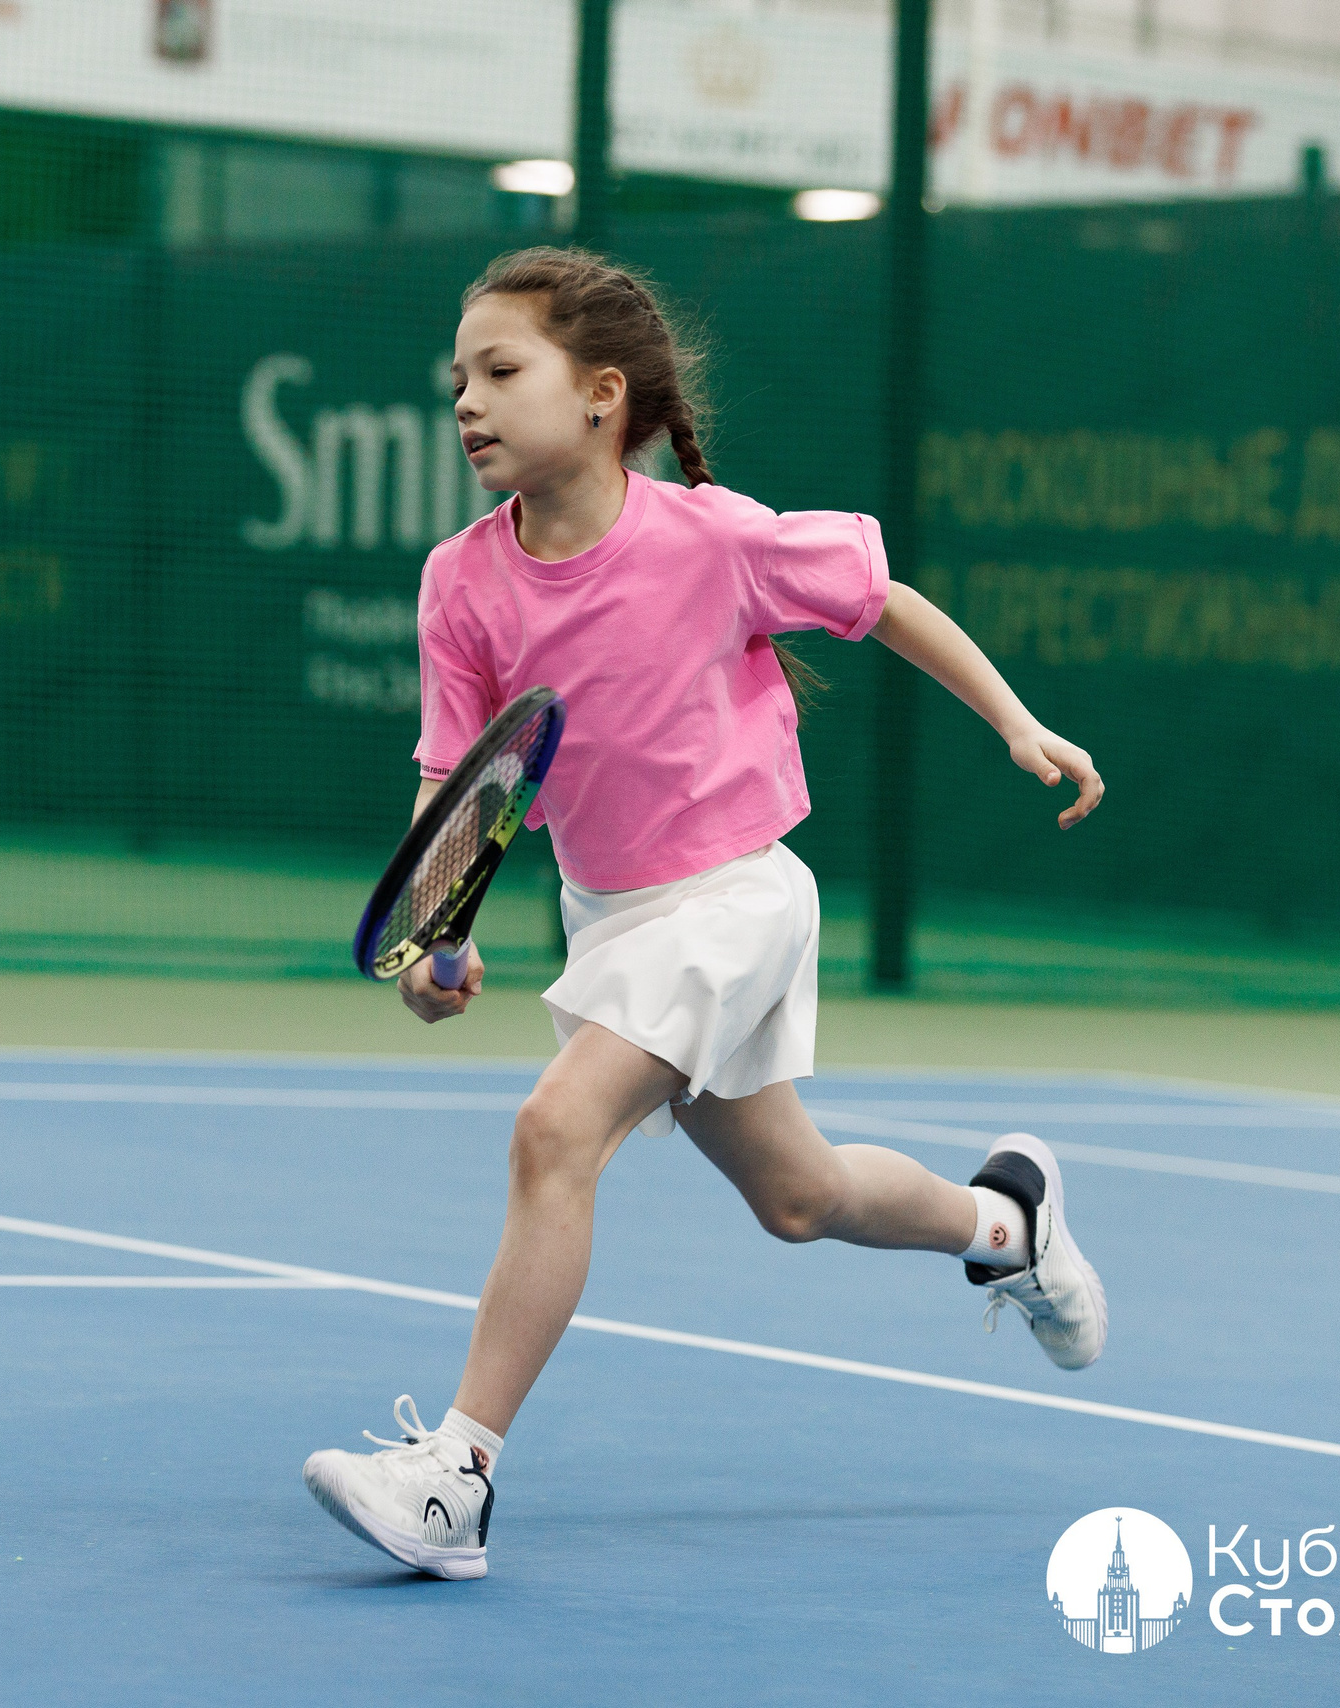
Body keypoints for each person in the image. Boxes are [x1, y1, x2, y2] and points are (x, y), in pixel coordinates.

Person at [301, 248, 1109, 1581]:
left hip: (735, 894)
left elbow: (880, 601)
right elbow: (455, 782)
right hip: (612, 917)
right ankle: (1007, 1226)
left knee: (555, 1129)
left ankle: (457, 1478)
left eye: (503, 371)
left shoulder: (709, 536)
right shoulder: (462, 580)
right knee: (800, 1198)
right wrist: (435, 940)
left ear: (604, 393)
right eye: (459, 379)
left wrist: (1016, 721)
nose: (469, 402)